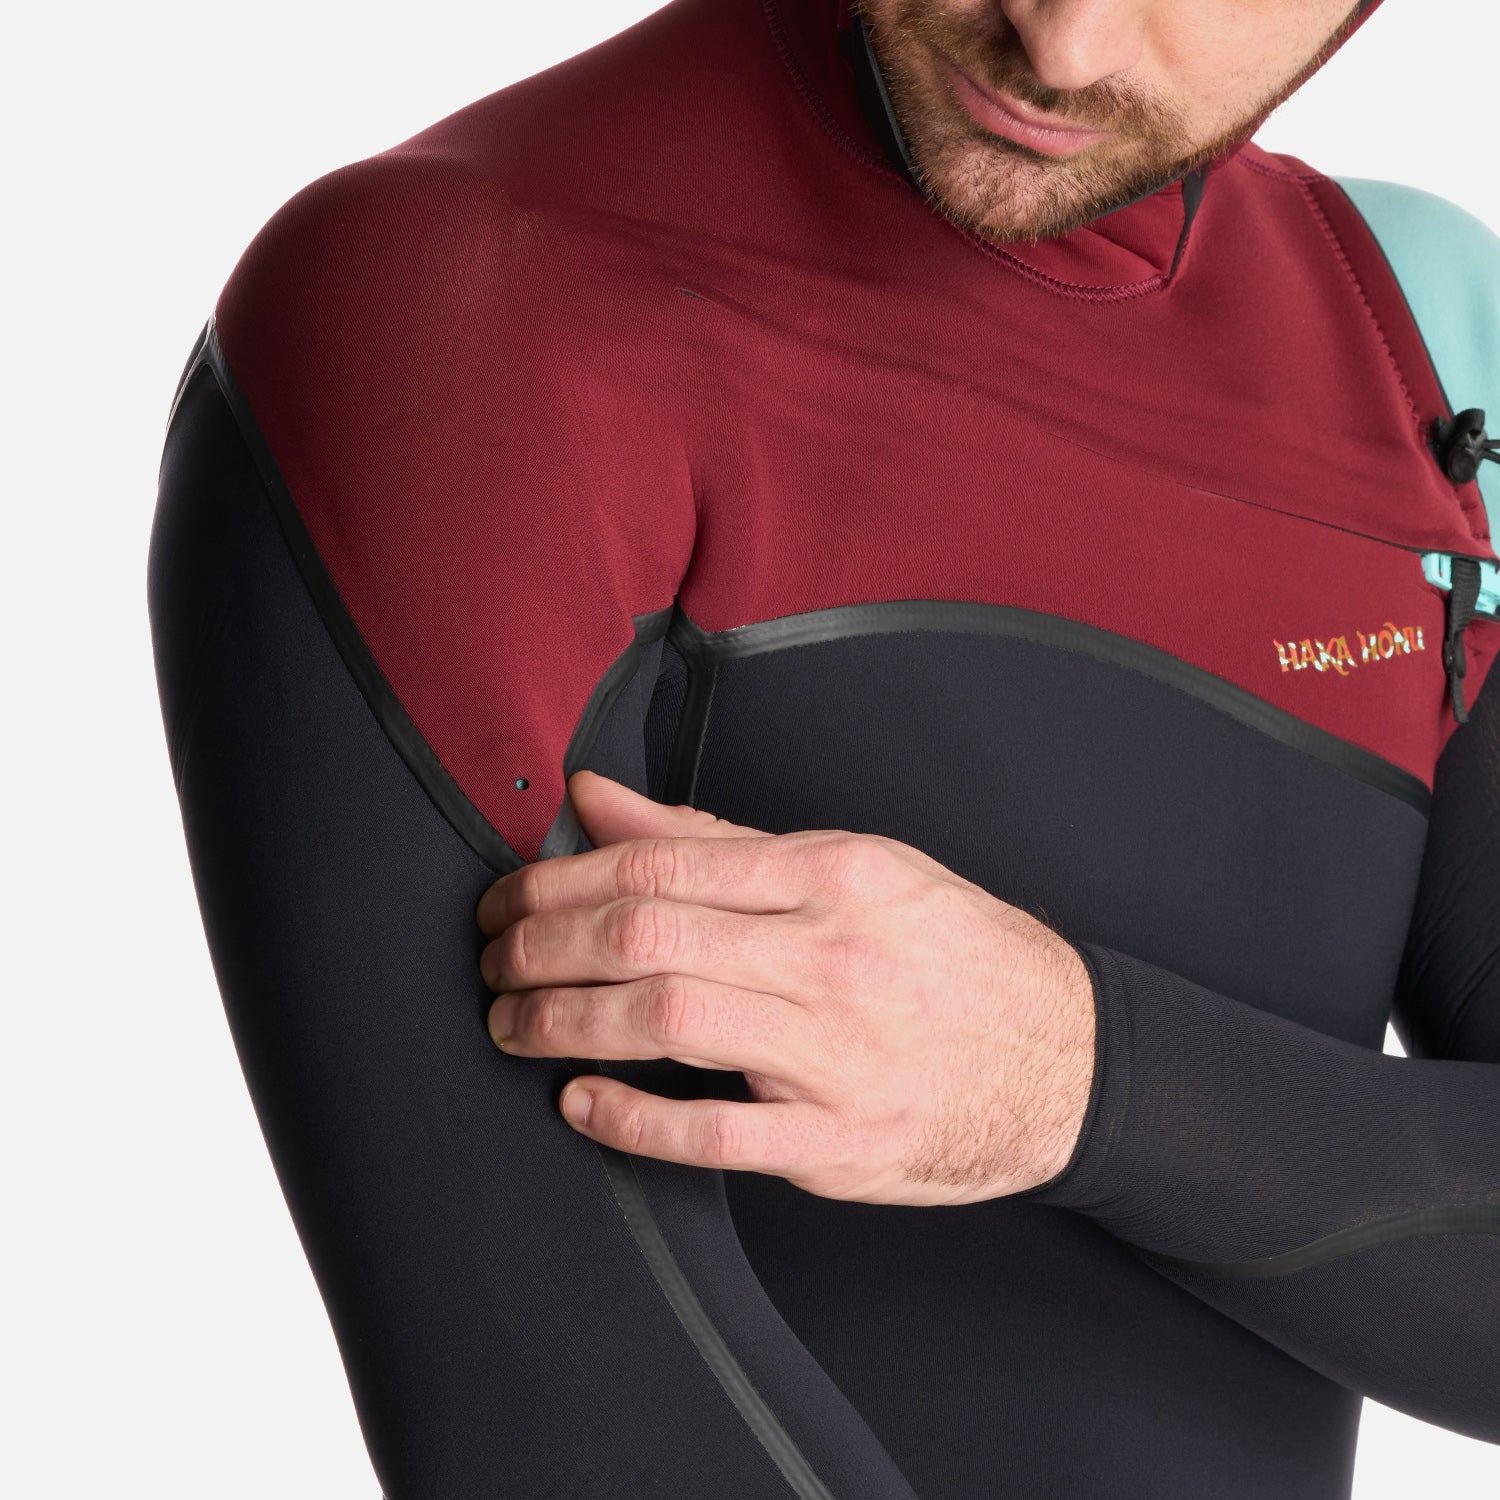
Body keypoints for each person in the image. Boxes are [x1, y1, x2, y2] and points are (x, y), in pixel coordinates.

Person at [146, 0, 1500, 1494]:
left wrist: (1071, 1079)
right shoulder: (463, 303)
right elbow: (583, 1424)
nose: (1061, 44)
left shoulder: (1423, 344)